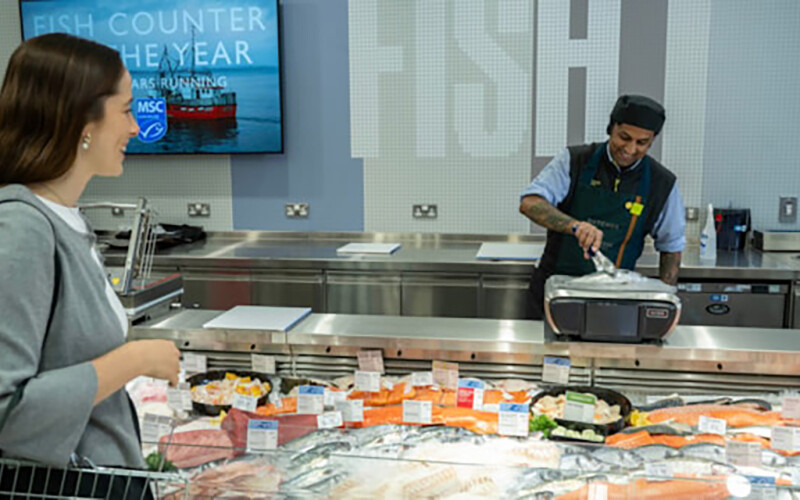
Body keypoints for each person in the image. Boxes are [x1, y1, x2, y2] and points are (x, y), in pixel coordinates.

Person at [0, 33, 180, 486]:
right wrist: (135, 358)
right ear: (83, 120)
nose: (137, 127)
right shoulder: (22, 229)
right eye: (126, 110)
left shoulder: (67, 220)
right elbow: (7, 412)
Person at [520, 95, 685, 319]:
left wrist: (665, 305)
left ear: (652, 141)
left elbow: (672, 246)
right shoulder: (574, 161)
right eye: (624, 137)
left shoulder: (662, 183)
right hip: (555, 295)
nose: (630, 148)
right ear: (611, 128)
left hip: (617, 302)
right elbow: (530, 202)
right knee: (550, 354)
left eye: (641, 143)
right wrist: (574, 226)